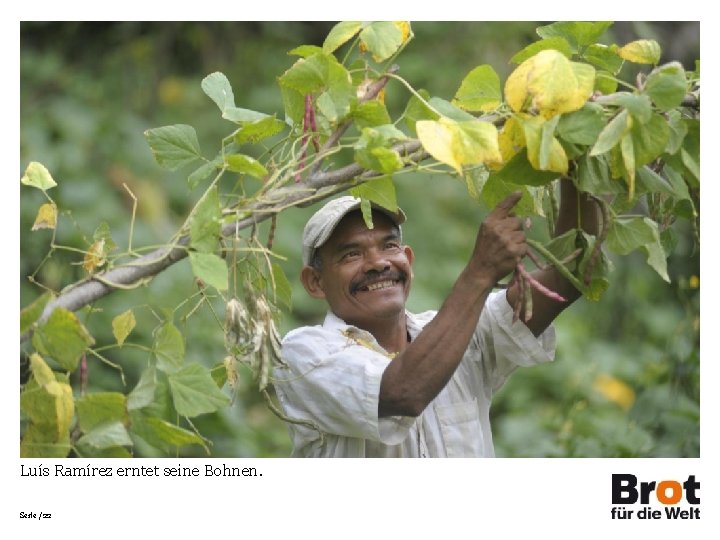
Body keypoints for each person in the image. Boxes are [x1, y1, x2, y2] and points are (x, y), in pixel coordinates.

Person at [273, 179, 598, 457]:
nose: (377, 263)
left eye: (389, 246)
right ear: (315, 282)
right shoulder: (303, 356)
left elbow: (575, 272)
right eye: (351, 254)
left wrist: (574, 165)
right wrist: (480, 272)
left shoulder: (462, 333)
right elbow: (403, 392)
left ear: (408, 259)